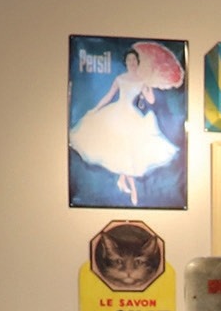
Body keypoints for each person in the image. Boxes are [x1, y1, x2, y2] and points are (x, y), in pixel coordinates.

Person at [69, 49, 178, 207]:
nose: (131, 63)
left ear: (137, 62)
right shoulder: (120, 78)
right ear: (125, 63)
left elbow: (151, 101)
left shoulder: (143, 80)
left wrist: (148, 89)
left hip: (132, 115)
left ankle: (122, 180)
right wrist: (96, 109)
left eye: (134, 60)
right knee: (123, 148)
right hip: (117, 114)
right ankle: (132, 189)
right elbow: (109, 96)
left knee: (129, 150)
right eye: (129, 60)